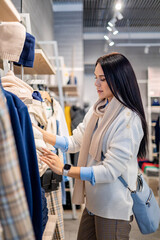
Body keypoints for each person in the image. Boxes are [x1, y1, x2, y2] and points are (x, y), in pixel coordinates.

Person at [37, 52, 148, 240]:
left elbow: (109, 171)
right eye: (96, 78)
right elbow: (74, 142)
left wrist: (65, 169)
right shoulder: (98, 110)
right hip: (92, 204)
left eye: (102, 79)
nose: (96, 84)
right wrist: (39, 133)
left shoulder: (128, 120)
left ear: (119, 79)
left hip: (113, 208)